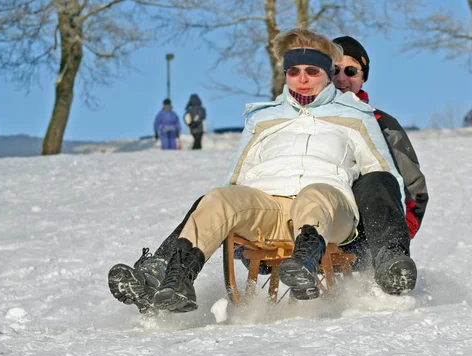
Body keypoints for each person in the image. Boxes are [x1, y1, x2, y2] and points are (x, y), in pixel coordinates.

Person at [109, 28, 411, 313]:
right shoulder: (263, 118)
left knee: (314, 194)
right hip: (270, 210)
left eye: (312, 71)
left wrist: (388, 239)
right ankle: (176, 280)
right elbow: (236, 178)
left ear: (327, 73)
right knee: (217, 198)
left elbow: (383, 177)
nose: (302, 79)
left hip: (331, 213)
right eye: (293, 71)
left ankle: (303, 265)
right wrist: (231, 223)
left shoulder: (356, 115)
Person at [330, 35, 428, 272]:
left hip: (366, 229)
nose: (342, 78)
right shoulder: (304, 120)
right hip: (317, 215)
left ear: (363, 78)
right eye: (334, 69)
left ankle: (391, 261)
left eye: (351, 71)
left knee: (377, 179)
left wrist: (397, 234)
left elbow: (415, 189)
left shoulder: (383, 124)